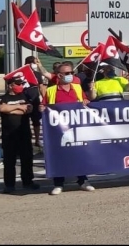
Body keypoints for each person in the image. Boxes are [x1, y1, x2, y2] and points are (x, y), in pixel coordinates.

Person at [41, 62, 94, 195]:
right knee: (59, 155)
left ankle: (83, 181)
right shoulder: (51, 90)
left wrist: (86, 102)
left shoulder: (77, 88)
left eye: (71, 73)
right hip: (58, 129)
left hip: (76, 127)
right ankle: (58, 183)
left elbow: (86, 102)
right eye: (67, 73)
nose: (70, 75)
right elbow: (43, 106)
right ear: (59, 75)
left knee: (79, 154)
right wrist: (42, 108)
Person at [0, 76, 40, 193]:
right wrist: (19, 107)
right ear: (10, 85)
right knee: (9, 161)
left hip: (24, 133)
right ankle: (9, 185)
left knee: (27, 159)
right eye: (17, 84)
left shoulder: (25, 96)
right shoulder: (2, 98)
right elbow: (1, 108)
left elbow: (29, 109)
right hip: (9, 135)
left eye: (21, 84)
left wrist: (11, 110)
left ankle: (28, 182)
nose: (20, 86)